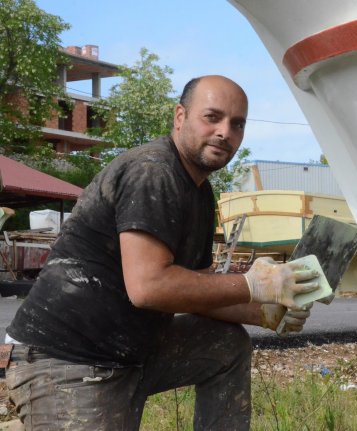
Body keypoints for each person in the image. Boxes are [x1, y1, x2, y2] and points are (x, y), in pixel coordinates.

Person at [4, 75, 318, 430]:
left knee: (224, 345)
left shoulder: (199, 193)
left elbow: (195, 290)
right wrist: (254, 285)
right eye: (211, 117)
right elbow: (149, 287)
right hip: (65, 360)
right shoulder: (152, 171)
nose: (224, 132)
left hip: (129, 353)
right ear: (180, 117)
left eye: (237, 124)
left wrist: (263, 312)